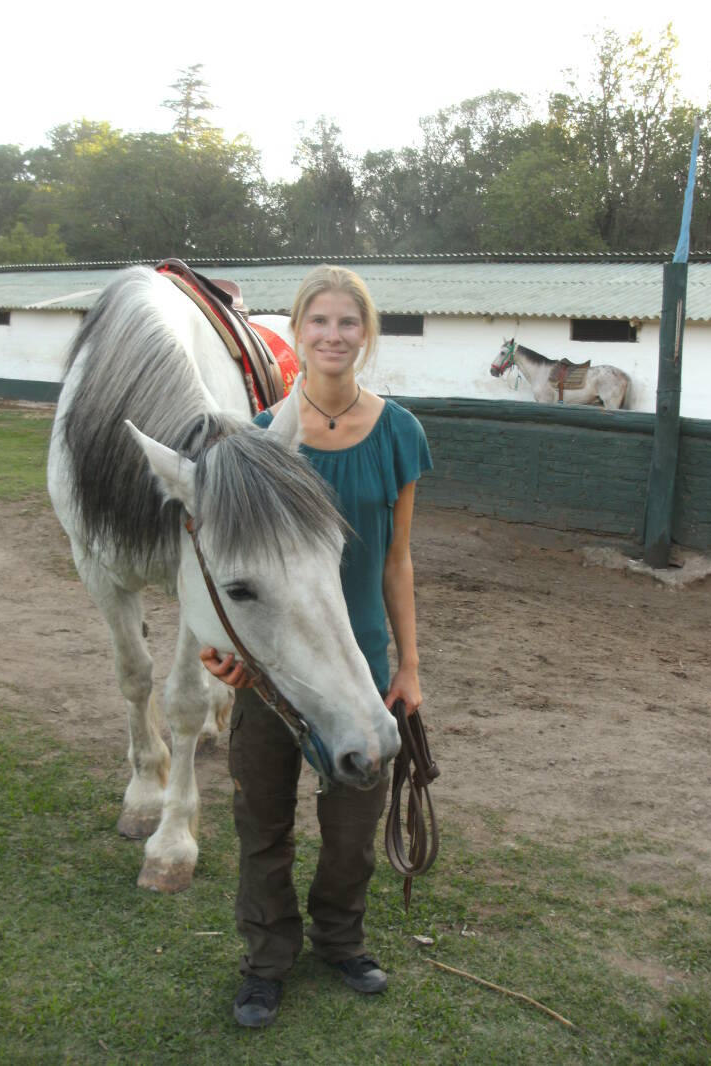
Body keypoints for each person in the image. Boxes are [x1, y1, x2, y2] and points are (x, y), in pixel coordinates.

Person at [200, 264, 432, 1028]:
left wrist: (408, 665)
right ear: (296, 332)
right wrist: (221, 652)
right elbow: (218, 569)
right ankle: (266, 961)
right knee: (262, 821)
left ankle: (341, 940)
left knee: (351, 832)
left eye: (348, 322)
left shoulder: (398, 432)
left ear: (366, 333)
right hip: (272, 675)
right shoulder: (258, 440)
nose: (333, 336)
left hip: (360, 662)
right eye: (318, 322)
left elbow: (397, 560)